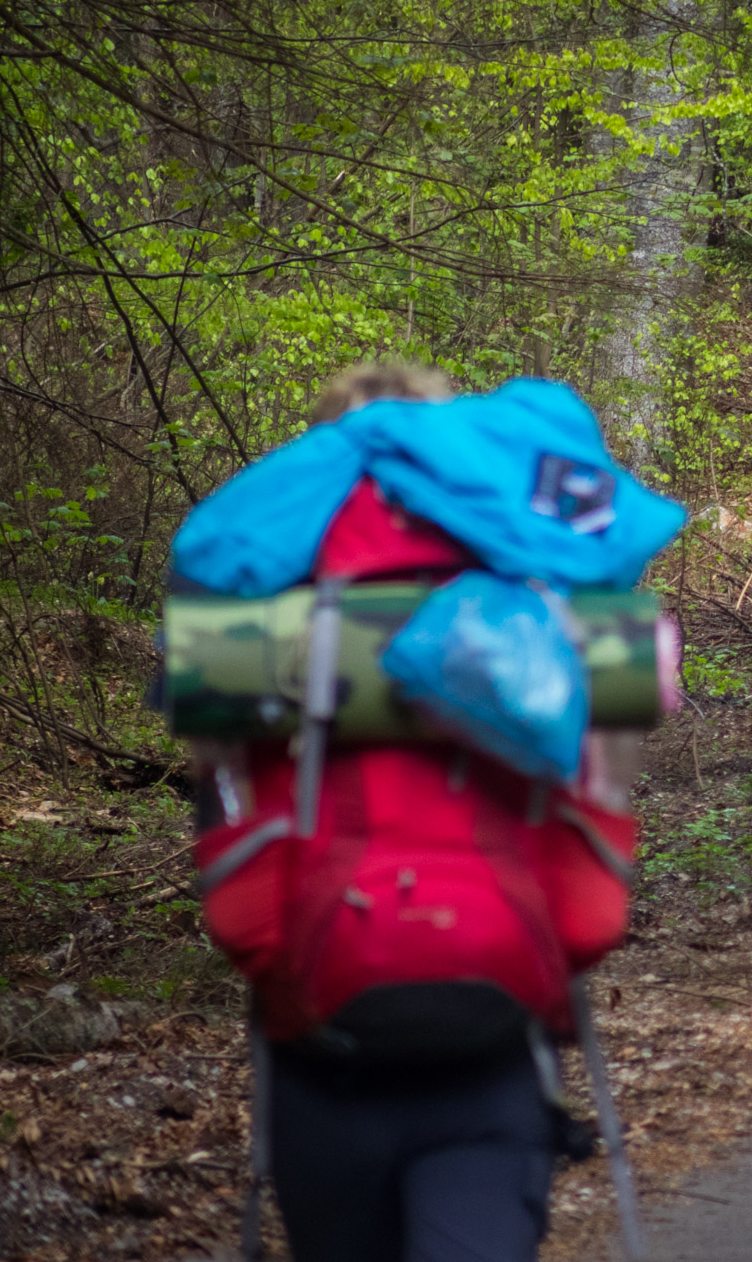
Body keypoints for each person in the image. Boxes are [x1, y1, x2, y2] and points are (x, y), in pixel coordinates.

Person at [174, 362, 677, 1261]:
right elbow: (591, 904)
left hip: (320, 1059)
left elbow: (239, 897)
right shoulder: (538, 640)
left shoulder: (268, 657)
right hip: (492, 1057)